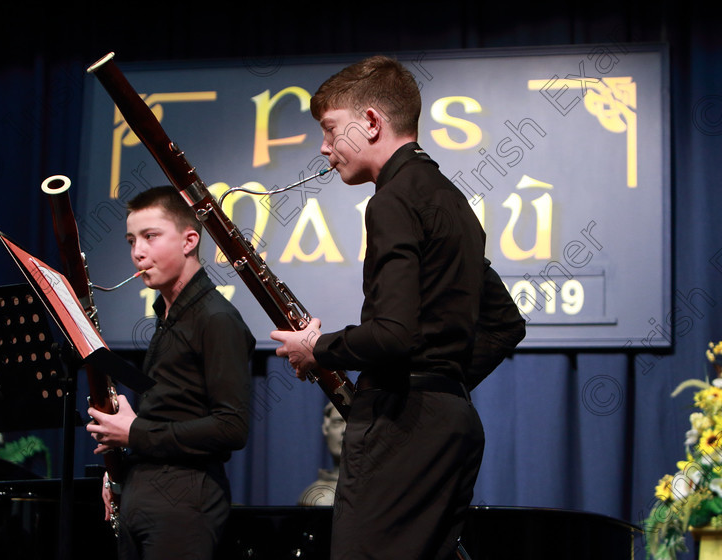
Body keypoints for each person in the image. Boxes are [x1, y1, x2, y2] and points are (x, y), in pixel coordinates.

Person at [271, 55, 526, 559]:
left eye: (330, 130)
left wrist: (315, 348)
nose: (323, 149)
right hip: (452, 428)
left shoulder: (390, 201)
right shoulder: (452, 201)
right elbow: (505, 325)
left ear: (370, 122)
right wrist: (440, 382)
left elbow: (392, 335)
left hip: (401, 431)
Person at [86, 185, 255, 560]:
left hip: (183, 502)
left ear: (189, 240)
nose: (137, 252)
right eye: (132, 240)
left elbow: (232, 427)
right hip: (144, 493)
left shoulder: (217, 319)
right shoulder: (166, 317)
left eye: (150, 236)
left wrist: (134, 432)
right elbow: (168, 410)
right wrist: (120, 470)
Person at [297, 402, 345, 506]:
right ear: (325, 429)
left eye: (352, 422)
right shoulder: (314, 496)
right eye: (338, 422)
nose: (345, 430)